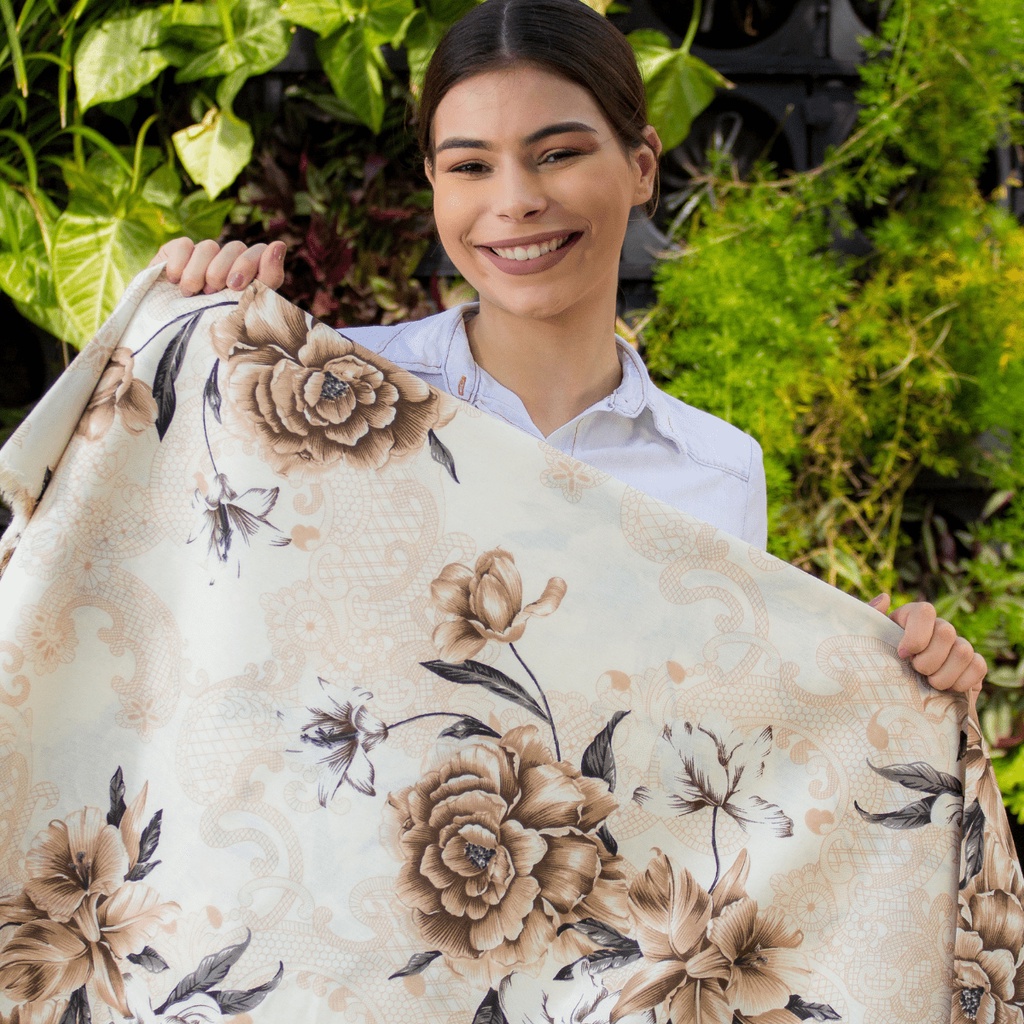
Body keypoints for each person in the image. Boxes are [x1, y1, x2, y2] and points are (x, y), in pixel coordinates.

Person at [149, 0, 986, 699]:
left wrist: (901, 687)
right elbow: (180, 609)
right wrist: (177, 343)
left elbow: (716, 742)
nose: (515, 201)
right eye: (471, 166)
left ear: (642, 166)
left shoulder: (717, 472)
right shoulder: (327, 395)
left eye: (557, 155)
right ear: (435, 184)